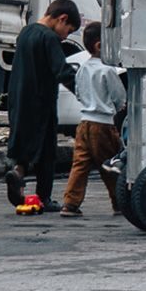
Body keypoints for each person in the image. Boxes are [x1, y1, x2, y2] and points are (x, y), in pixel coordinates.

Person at [4, 0, 81, 211]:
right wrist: (84, 91)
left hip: (19, 98)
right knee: (47, 151)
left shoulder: (26, 32)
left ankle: (18, 173)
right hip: (42, 101)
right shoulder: (49, 38)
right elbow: (61, 70)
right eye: (68, 29)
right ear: (62, 19)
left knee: (24, 143)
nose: (66, 35)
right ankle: (44, 197)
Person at [60, 23, 125, 217]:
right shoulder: (107, 70)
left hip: (84, 123)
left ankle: (70, 203)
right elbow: (119, 96)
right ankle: (119, 202)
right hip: (103, 124)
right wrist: (121, 105)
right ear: (99, 46)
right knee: (109, 165)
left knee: (80, 164)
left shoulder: (82, 69)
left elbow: (79, 93)